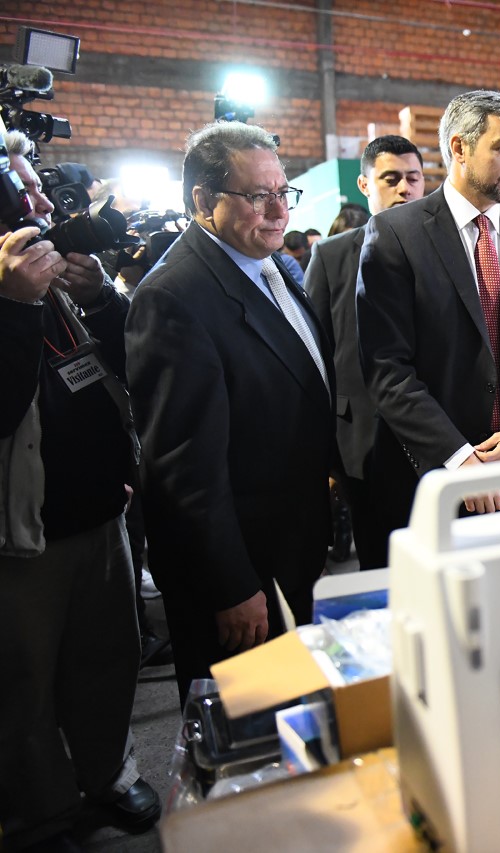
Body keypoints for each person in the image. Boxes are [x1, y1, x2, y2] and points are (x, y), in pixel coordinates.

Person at [126, 121, 335, 707]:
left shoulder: (270, 267)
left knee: (292, 711)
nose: (279, 211)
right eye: (257, 195)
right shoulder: (175, 297)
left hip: (287, 544)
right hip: (240, 573)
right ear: (202, 201)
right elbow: (183, 468)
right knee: (247, 725)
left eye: (283, 192)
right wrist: (231, 586)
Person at [1, 129, 160, 847]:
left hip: (102, 513)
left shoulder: (51, 283)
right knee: (24, 683)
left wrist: (97, 299)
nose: (42, 207)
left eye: (38, 188)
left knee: (107, 660)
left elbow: (126, 364)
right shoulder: (16, 289)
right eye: (23, 194)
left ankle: (110, 774)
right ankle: (42, 810)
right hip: (23, 536)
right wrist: (15, 306)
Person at [357, 90, 500, 559]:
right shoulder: (396, 235)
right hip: (431, 484)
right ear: (459, 148)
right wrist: (459, 457)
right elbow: (386, 368)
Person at [306, 134, 424, 569]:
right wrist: (326, 453)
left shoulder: (446, 251)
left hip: (440, 440)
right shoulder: (332, 255)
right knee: (380, 566)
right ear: (364, 184)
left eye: (413, 178)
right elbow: (315, 355)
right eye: (391, 178)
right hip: (362, 443)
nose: (404, 188)